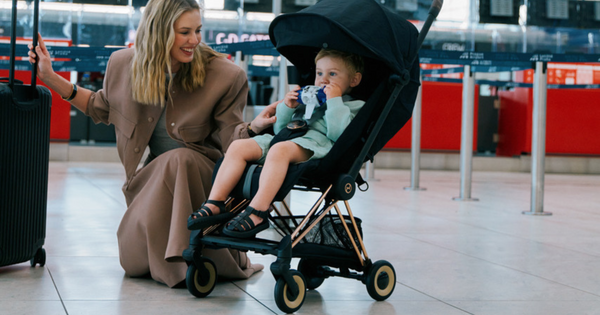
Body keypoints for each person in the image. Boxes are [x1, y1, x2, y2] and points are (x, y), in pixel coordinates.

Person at [28, 0, 277, 288]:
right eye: (185, 32)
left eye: (198, 30)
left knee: (180, 158)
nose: (195, 40)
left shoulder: (225, 75)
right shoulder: (122, 64)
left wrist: (253, 128)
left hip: (202, 180)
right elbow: (101, 107)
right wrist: (49, 77)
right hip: (148, 182)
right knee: (134, 264)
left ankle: (184, 260)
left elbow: (230, 137)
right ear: (159, 32)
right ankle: (176, 256)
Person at [188, 49, 365, 238]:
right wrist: (287, 107)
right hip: (285, 140)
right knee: (238, 146)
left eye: (333, 74)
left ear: (354, 80)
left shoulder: (354, 106)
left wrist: (334, 101)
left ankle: (258, 211)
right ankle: (215, 203)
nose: (323, 80)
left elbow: (339, 134)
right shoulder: (309, 102)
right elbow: (281, 129)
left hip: (316, 146)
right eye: (319, 73)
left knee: (280, 150)